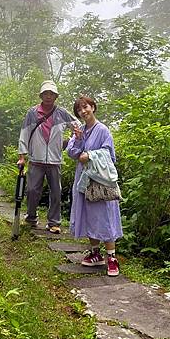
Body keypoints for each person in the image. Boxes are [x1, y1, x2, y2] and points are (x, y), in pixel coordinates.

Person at [66, 95, 122, 277]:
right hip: (84, 181)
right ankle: (95, 253)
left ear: (93, 107)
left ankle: (112, 258)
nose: (83, 111)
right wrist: (79, 140)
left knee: (104, 216)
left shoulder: (103, 130)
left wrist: (90, 155)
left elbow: (109, 155)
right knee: (89, 216)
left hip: (101, 182)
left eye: (86, 107)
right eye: (80, 110)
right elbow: (71, 152)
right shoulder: (80, 130)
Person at [17, 80, 76, 234]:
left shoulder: (62, 113)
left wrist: (70, 141)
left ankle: (54, 222)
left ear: (55, 96)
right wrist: (22, 156)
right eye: (45, 94)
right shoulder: (32, 113)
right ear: (41, 95)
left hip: (55, 159)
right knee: (31, 190)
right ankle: (31, 218)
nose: (48, 96)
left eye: (51, 94)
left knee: (56, 191)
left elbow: (77, 127)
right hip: (36, 158)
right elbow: (24, 134)